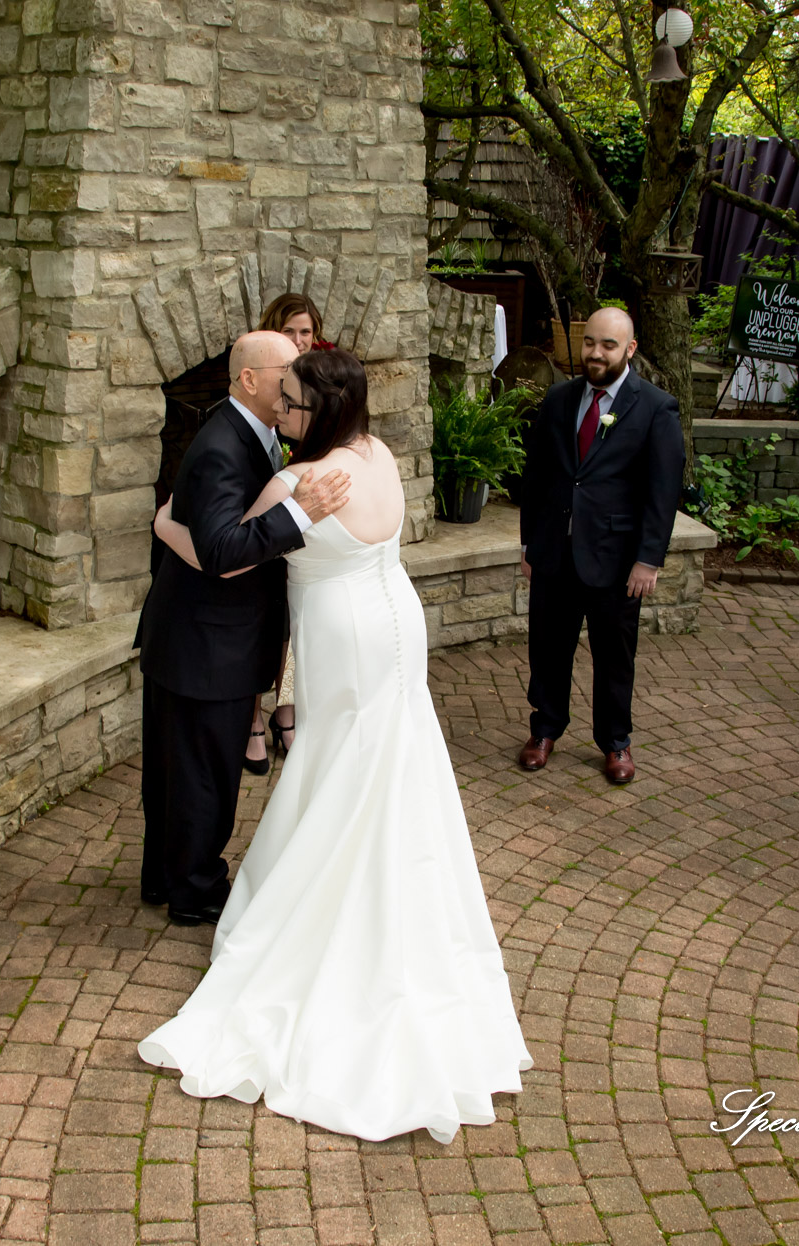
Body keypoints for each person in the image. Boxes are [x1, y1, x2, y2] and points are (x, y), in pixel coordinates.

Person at [138, 348, 531, 1143]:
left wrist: (165, 522)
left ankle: (326, 907)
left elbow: (221, 552)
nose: (281, 412)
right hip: (395, 619)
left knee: (342, 766)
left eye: (292, 402)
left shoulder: (298, 485)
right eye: (278, 396)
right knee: (389, 758)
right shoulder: (377, 453)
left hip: (342, 634)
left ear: (320, 410)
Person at [136, 331, 349, 927]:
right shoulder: (222, 446)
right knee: (203, 777)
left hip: (196, 638)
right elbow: (224, 550)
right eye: (288, 367)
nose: (296, 376)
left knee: (180, 772)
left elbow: (197, 532)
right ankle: (196, 892)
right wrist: (301, 513)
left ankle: (166, 877)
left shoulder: (250, 436)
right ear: (250, 379)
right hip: (205, 645)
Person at [516, 307, 685, 784]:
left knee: (614, 656)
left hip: (615, 561)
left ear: (629, 349)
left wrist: (648, 559)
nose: (595, 353)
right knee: (547, 648)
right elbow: (538, 477)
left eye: (608, 345)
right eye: (590, 342)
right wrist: (530, 542)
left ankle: (616, 743)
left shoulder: (655, 408)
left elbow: (662, 490)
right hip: (555, 554)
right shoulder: (558, 399)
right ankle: (544, 729)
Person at [240, 293, 335, 774]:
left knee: (293, 628)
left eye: (306, 332)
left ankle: (286, 710)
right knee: (264, 623)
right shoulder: (268, 396)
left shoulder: (318, 394)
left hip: (301, 528)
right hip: (264, 524)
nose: (299, 341)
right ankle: (253, 719)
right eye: (290, 332)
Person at [259, 291, 333, 354]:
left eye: (305, 332)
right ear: (272, 331)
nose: (297, 341)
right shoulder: (255, 365)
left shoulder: (328, 368)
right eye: (288, 331)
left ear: (314, 334)